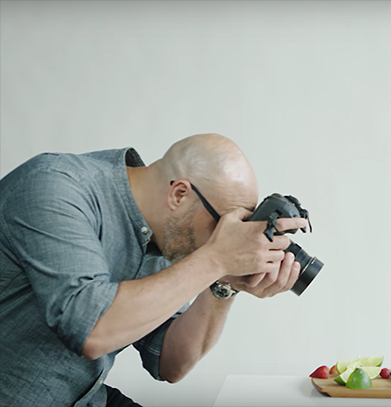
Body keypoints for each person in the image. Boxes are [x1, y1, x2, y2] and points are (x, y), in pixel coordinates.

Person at [0, 133, 307, 407]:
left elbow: (169, 364)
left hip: (85, 396)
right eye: (222, 225)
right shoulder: (55, 188)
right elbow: (92, 330)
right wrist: (216, 259)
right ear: (180, 194)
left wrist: (225, 284)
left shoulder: (168, 236)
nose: (224, 239)